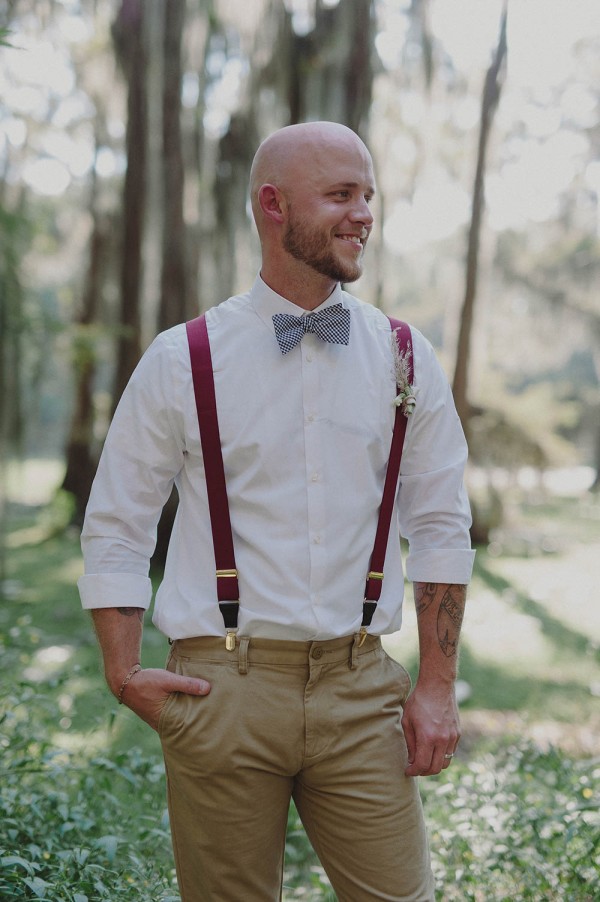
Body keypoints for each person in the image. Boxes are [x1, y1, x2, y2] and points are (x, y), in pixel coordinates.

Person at [79, 121, 475, 902]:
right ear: (272, 205)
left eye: (368, 194)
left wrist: (436, 684)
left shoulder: (402, 355)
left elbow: (439, 525)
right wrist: (123, 672)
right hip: (221, 688)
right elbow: (118, 523)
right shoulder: (181, 358)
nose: (364, 213)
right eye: (340, 195)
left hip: (362, 687)